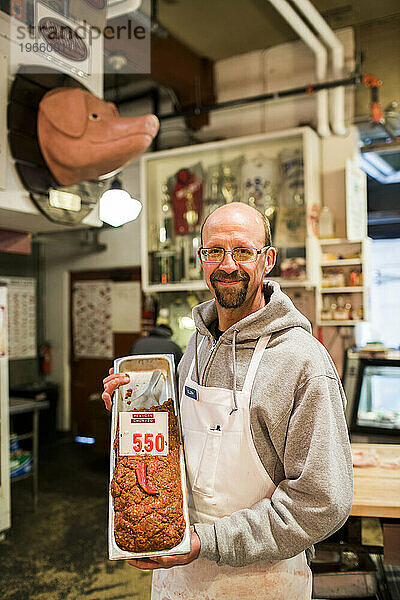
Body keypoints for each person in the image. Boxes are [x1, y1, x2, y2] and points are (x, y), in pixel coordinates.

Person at [102, 202, 353, 600]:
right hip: (177, 572)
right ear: (202, 259)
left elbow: (322, 503)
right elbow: (174, 449)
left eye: (242, 251)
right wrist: (130, 413)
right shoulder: (196, 347)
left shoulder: (303, 362)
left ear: (267, 260)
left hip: (260, 582)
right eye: (214, 251)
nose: (228, 264)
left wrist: (209, 541)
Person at [129, 303, 183, 368]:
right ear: (169, 334)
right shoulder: (174, 346)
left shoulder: (138, 342)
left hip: (137, 374)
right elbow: (181, 368)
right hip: (164, 376)